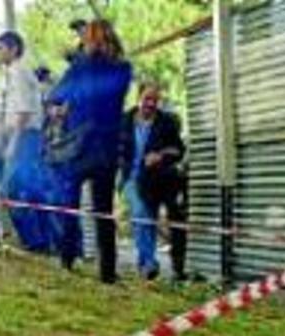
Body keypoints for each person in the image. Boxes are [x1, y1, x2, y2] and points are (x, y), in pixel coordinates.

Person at [48, 19, 133, 284]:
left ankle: (67, 259)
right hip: (107, 147)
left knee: (69, 205)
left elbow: (56, 96)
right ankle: (107, 272)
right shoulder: (124, 69)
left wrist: (64, 106)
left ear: (91, 40)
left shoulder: (81, 66)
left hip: (79, 145)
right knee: (103, 211)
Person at [120, 81, 187, 281]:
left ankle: (145, 263)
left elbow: (178, 150)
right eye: (147, 98)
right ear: (138, 98)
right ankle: (149, 263)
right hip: (130, 179)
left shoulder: (166, 122)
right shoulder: (124, 121)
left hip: (154, 181)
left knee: (147, 217)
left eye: (155, 100)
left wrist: (160, 155)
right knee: (141, 213)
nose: (151, 103)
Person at [0, 30, 54, 253]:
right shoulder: (14, 73)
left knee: (14, 190)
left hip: (25, 138)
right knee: (30, 191)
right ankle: (43, 241)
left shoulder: (19, 72)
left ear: (13, 49)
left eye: (0, 48)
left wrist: (13, 143)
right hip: (25, 136)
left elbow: (24, 112)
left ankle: (35, 242)